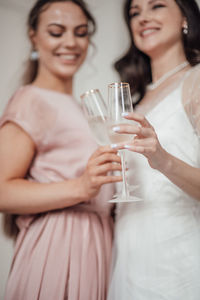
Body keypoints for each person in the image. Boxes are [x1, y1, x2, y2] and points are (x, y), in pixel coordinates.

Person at [0, 1, 122, 299]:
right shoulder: (30, 99)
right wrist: (82, 186)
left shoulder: (84, 109)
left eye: (80, 33)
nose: (70, 42)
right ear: (34, 37)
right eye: (57, 32)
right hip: (58, 243)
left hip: (98, 242)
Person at [108, 0, 200, 299]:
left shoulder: (196, 80)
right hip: (129, 252)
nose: (143, 18)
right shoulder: (134, 100)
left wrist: (163, 160)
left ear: (186, 17)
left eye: (156, 5)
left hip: (178, 254)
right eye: (135, 12)